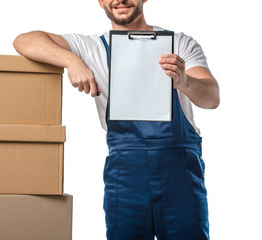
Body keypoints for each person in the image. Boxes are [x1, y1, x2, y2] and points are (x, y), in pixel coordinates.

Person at [13, 0, 220, 239]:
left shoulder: (179, 43)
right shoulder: (92, 47)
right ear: (101, 1)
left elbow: (211, 98)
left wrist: (184, 81)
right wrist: (72, 61)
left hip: (180, 172)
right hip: (126, 175)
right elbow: (24, 41)